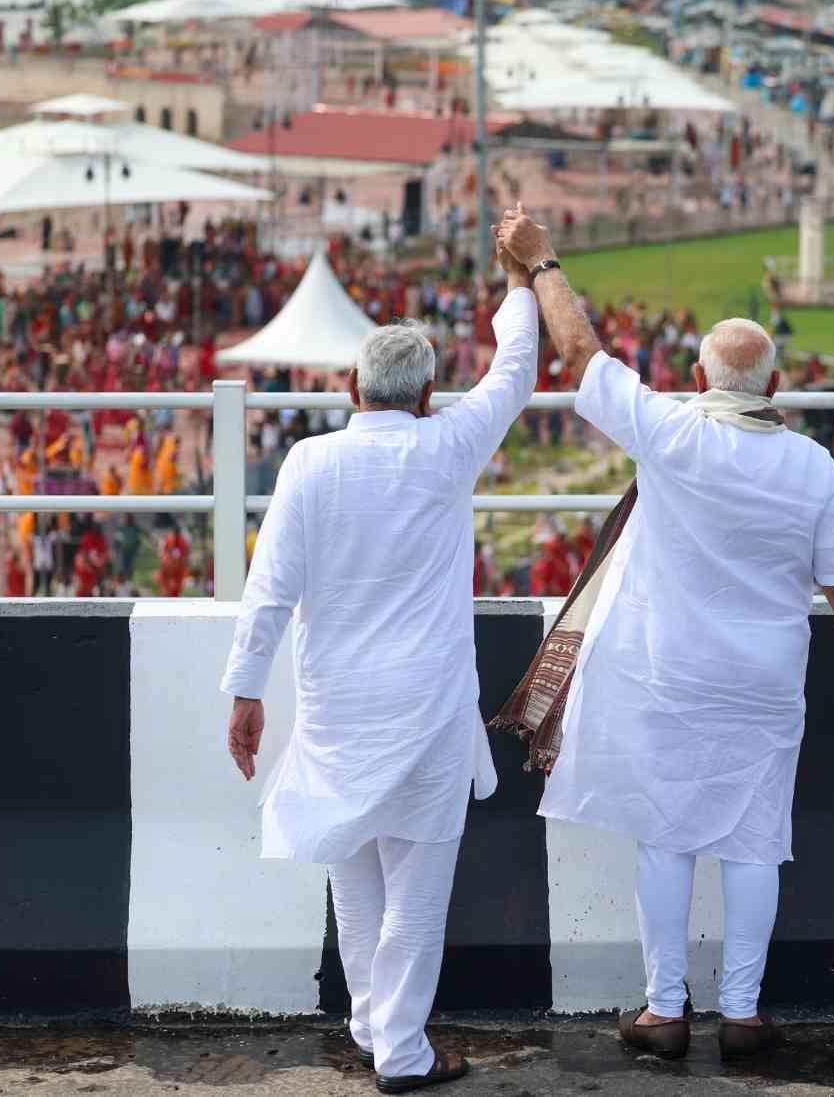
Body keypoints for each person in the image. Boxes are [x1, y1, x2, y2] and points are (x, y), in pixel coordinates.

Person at [497, 205, 834, 1061]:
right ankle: (743, 1014)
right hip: (763, 683)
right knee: (755, 845)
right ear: (774, 389)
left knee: (667, 836)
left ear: (700, 377)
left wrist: (543, 263)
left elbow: (580, 358)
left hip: (667, 677)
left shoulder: (670, 433)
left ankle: (664, 1011)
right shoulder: (812, 465)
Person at [220, 243, 539, 1094]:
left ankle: (375, 1030)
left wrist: (247, 689)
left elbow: (269, 587)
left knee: (356, 881)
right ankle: (399, 1051)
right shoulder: (448, 446)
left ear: (351, 392)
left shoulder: (308, 463)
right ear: (429, 397)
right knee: (415, 894)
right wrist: (516, 283)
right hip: (426, 711)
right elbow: (517, 369)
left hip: (336, 709)